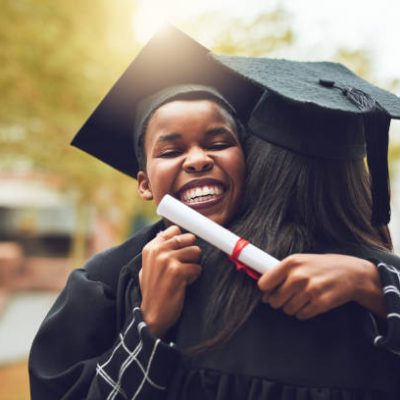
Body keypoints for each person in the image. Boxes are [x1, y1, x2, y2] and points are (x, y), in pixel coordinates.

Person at [29, 27, 400, 399]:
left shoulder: (349, 274)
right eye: (171, 151)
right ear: (143, 184)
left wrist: (374, 284)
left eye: (219, 143)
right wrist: (149, 322)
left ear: (249, 161)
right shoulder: (108, 281)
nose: (198, 160)